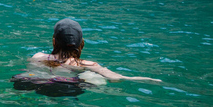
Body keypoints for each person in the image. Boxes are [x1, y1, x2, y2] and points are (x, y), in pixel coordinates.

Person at [29, 18, 161, 82]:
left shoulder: (38, 56)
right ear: (82, 44)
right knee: (92, 77)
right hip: (69, 88)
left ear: (54, 41)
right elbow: (117, 78)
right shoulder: (89, 64)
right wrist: (146, 79)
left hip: (42, 84)